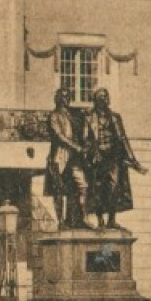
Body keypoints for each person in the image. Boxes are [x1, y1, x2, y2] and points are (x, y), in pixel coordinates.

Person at [84, 88, 146, 228]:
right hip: (97, 157)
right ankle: (100, 219)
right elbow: (86, 139)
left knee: (114, 187)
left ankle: (111, 219)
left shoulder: (115, 117)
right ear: (97, 100)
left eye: (107, 97)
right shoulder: (88, 117)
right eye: (103, 97)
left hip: (113, 157)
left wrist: (133, 160)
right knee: (98, 188)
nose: (107, 99)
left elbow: (123, 139)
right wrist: (92, 154)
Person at [44, 88, 88, 228]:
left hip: (75, 158)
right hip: (59, 156)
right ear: (57, 98)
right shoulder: (54, 115)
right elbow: (59, 136)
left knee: (82, 186)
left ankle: (81, 219)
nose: (67, 98)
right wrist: (76, 147)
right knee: (59, 190)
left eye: (68, 96)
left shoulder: (74, 115)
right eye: (63, 96)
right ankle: (61, 222)